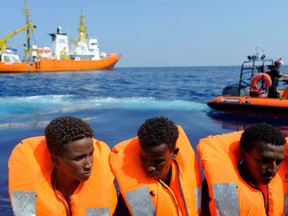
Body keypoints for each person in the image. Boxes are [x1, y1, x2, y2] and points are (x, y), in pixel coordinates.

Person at [8, 116, 118, 216]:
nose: (89, 165)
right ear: (55, 161)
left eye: (90, 154)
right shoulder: (28, 190)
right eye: (78, 158)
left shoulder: (103, 182)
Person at [110, 116, 202, 216]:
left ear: (174, 153)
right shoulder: (130, 195)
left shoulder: (193, 175)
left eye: (158, 161)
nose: (149, 167)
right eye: (144, 159)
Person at [197, 122, 286, 216]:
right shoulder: (222, 189)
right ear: (243, 154)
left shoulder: (279, 183)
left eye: (278, 162)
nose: (273, 169)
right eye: (265, 160)